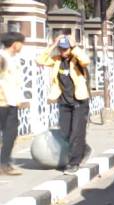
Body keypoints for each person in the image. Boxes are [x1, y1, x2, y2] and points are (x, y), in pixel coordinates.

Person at [37, 34, 91, 174]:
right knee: (65, 133)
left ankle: (74, 163)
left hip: (79, 102)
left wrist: (75, 47)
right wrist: (53, 45)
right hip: (64, 102)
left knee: (76, 134)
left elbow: (86, 60)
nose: (63, 51)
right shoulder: (56, 60)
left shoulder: (76, 60)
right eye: (61, 48)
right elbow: (40, 60)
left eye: (65, 48)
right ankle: (84, 149)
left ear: (70, 48)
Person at [0, 32, 28, 175]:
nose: (22, 46)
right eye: (21, 43)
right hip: (2, 102)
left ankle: (4, 164)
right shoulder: (2, 58)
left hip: (12, 103)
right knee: (8, 134)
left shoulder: (14, 59)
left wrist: (19, 99)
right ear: (15, 44)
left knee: (10, 134)